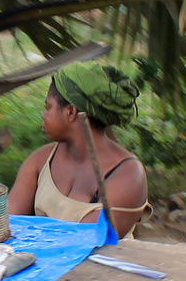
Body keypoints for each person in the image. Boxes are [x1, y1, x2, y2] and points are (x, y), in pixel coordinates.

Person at [9, 64, 149, 238]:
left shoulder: (127, 174)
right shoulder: (40, 161)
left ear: (71, 112)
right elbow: (9, 223)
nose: (43, 115)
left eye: (48, 107)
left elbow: (85, 240)